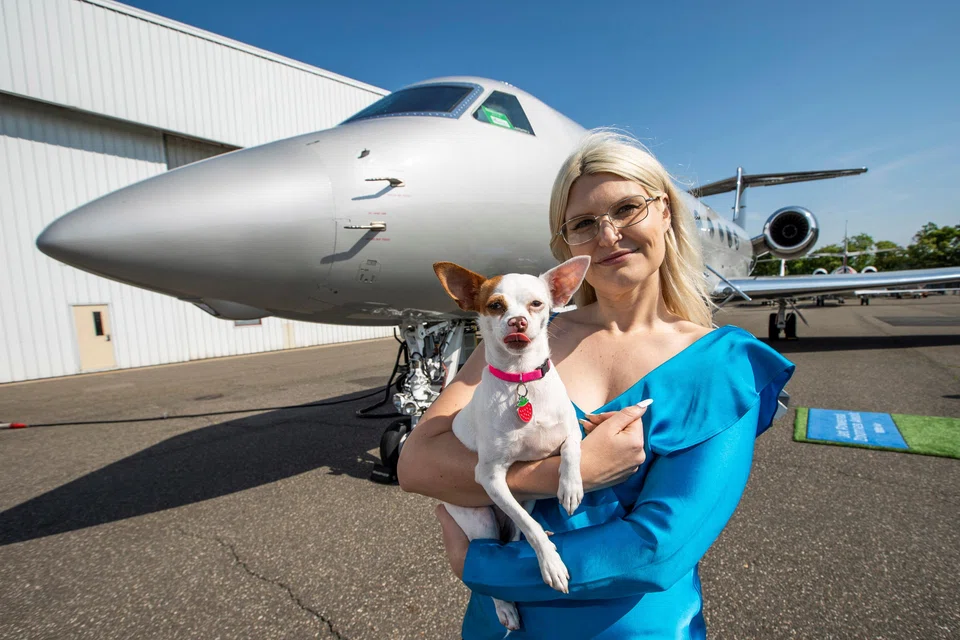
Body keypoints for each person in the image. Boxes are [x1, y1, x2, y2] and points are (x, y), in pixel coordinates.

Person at [397, 130, 795, 639]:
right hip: (499, 628)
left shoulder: (724, 366)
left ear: (667, 212)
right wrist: (560, 472)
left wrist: (481, 566)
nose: (607, 236)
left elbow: (657, 552)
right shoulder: (517, 346)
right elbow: (418, 464)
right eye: (584, 223)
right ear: (566, 245)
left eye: (628, 208)